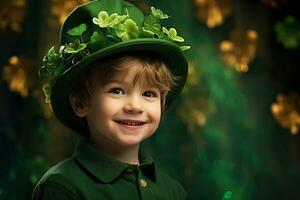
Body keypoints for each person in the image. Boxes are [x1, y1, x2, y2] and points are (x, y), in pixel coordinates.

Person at [32, 0, 190, 199]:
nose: (134, 106)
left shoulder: (173, 192)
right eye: (117, 91)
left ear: (162, 103)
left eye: (148, 94)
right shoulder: (62, 187)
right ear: (80, 103)